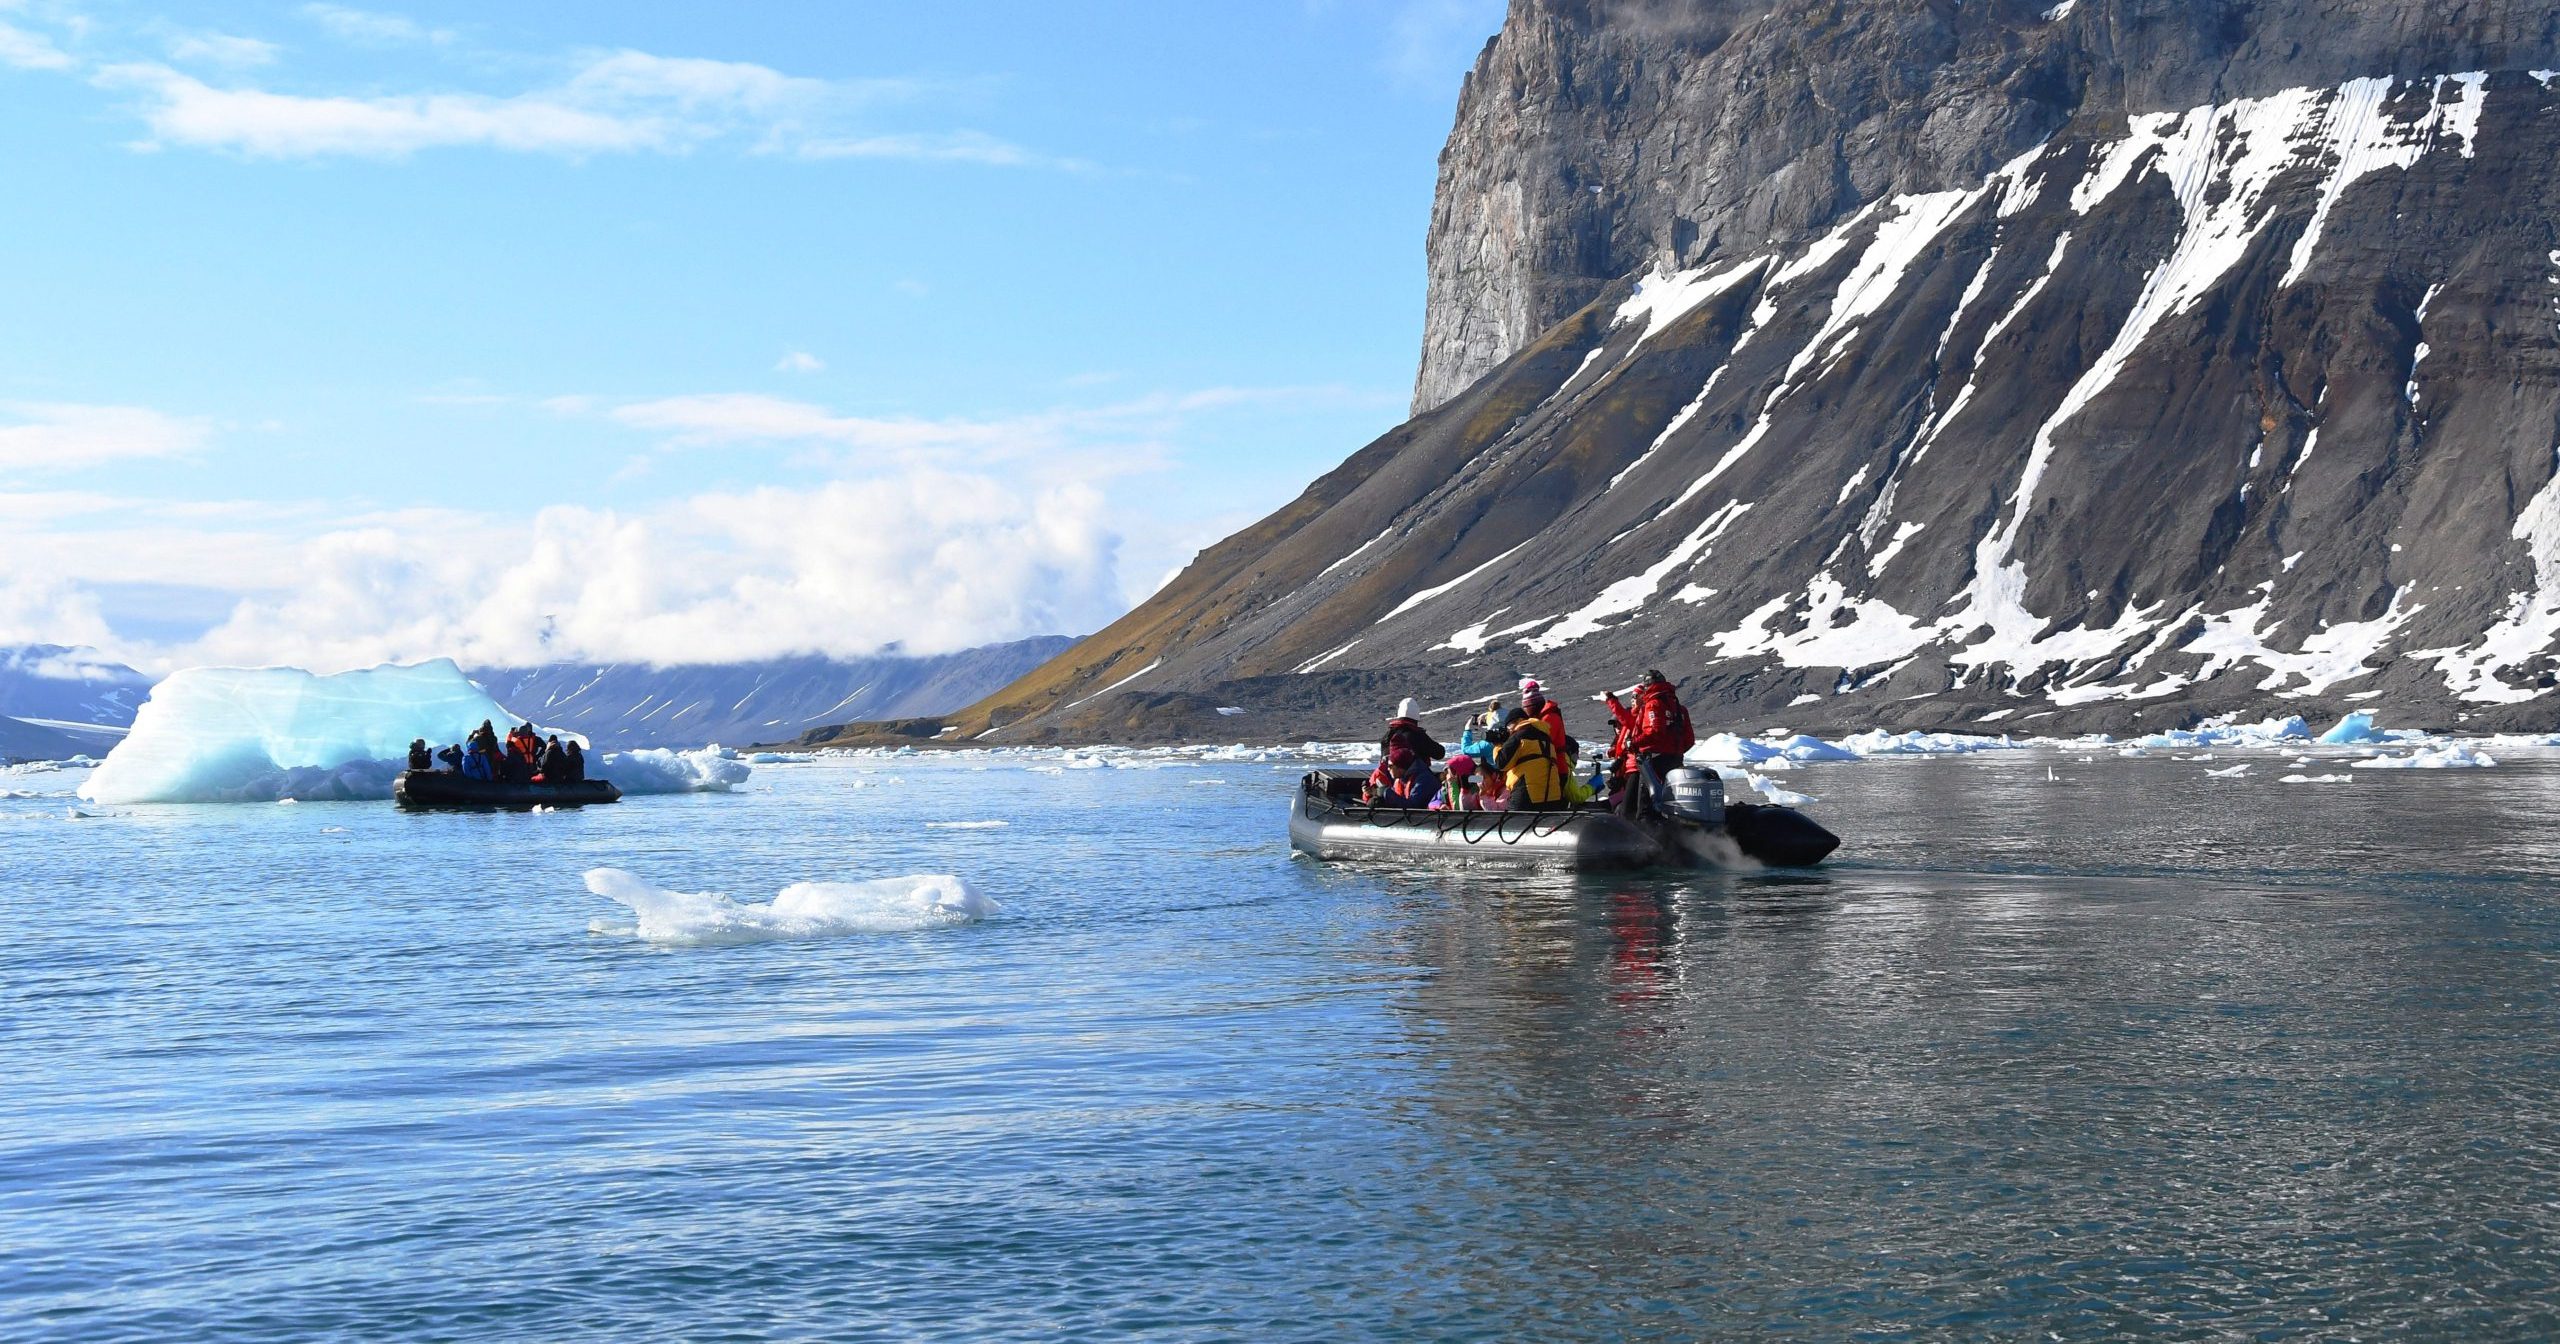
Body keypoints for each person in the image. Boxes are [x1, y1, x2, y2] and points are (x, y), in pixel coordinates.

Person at [1605, 669, 1697, 816]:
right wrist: (1675, 751)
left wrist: (1633, 743)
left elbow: (1654, 732)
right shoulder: (1679, 708)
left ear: (1647, 686)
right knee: (1664, 804)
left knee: (1643, 808)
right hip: (1674, 761)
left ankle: (1640, 836)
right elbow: (1689, 739)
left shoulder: (1653, 704)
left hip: (1653, 762)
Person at [1490, 708, 1567, 811]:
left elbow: (1501, 763)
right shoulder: (1546, 738)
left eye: (1509, 726)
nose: (1508, 730)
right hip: (1553, 797)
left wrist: (1498, 745)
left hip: (1527, 797)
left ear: (1519, 720)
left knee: (1513, 824)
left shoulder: (1519, 735)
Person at [1360, 745, 1439, 808]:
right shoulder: (1401, 779)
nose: (1388, 769)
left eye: (1390, 766)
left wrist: (1385, 792)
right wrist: (1374, 794)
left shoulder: (1424, 780)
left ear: (1400, 767)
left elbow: (1413, 806)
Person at [1379, 698, 1445, 765]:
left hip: (1389, 774)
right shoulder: (1417, 736)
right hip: (1413, 774)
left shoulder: (1388, 735)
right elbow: (1439, 753)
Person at [1519, 677, 1570, 755]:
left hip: (1555, 763)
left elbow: (1542, 743)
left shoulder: (1549, 717)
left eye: (1527, 709)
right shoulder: (1542, 717)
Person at [1455, 700, 1503, 774]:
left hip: (1496, 776)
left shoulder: (1488, 744)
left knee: (1474, 775)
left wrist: (1467, 730)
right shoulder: (1515, 730)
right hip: (1514, 773)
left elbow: (1466, 750)